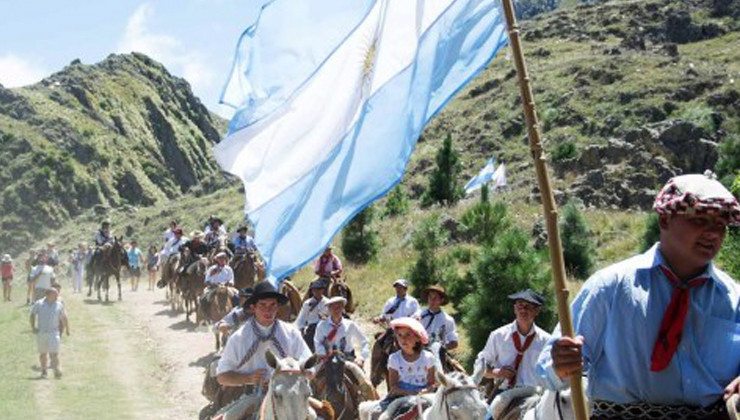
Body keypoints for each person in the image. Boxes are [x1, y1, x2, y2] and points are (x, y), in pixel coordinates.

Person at [537, 172, 740, 420]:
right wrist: (560, 364)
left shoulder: (734, 298)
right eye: (699, 220)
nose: (713, 233)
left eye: (721, 225)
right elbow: (547, 367)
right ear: (664, 220)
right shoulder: (610, 287)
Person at [217, 281, 311, 412]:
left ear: (278, 307)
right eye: (263, 305)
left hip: (289, 395)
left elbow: (308, 362)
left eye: (273, 305)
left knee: (319, 415)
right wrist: (248, 378)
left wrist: (306, 372)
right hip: (250, 394)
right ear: (253, 307)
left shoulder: (291, 333)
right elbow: (222, 377)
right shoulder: (238, 338)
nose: (268, 310)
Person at [476, 289, 550, 394]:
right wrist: (497, 372)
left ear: (537, 311)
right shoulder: (498, 336)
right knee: (490, 411)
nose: (523, 310)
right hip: (503, 392)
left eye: (528, 307)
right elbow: (480, 365)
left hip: (533, 394)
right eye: (520, 306)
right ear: (514, 309)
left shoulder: (546, 340)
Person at [372, 317, 438, 415]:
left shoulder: (428, 358)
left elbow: (431, 384)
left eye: (408, 335)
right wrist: (411, 393)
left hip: (424, 396)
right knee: (377, 413)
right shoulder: (394, 359)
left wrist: (424, 391)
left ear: (417, 337)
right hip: (400, 395)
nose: (403, 339)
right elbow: (393, 386)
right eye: (400, 335)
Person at [314, 296, 369, 366]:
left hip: (347, 358)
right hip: (326, 358)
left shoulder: (350, 324)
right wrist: (328, 352)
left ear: (343, 309)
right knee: (312, 374)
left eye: (339, 307)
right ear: (329, 309)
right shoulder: (322, 325)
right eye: (333, 307)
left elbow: (364, 341)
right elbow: (317, 344)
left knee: (360, 375)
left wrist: (361, 357)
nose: (336, 310)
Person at [30, 287, 69, 379]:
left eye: (57, 294)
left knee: (54, 353)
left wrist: (66, 329)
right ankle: (44, 371)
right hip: (42, 332)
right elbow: (32, 315)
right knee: (43, 353)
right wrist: (33, 327)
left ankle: (57, 370)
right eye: (55, 294)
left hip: (54, 332)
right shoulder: (39, 304)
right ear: (48, 295)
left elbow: (63, 317)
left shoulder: (59, 305)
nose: (57, 296)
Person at [419, 285, 459, 351]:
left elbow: (454, 343)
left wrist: (440, 348)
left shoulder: (448, 320)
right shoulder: (419, 315)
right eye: (430, 297)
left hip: (438, 356)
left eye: (435, 297)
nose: (432, 300)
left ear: (441, 300)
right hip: (419, 353)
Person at [295, 278, 330, 351]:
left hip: (325, 328)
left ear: (323, 290)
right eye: (314, 290)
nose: (316, 292)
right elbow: (301, 319)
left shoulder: (328, 303)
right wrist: (301, 330)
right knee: (306, 348)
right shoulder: (307, 304)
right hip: (312, 329)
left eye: (319, 290)